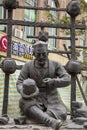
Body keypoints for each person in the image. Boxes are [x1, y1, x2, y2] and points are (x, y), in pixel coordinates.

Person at [16, 40, 71, 130]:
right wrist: (24, 91)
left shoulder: (55, 64)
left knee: (62, 113)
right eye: (38, 54)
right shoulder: (27, 65)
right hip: (33, 99)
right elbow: (19, 82)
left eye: (44, 54)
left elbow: (67, 79)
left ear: (48, 53)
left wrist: (54, 81)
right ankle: (51, 121)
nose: (41, 57)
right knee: (24, 103)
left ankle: (30, 119)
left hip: (52, 101)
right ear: (34, 54)